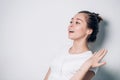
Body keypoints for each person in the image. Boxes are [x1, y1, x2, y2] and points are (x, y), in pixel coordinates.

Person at [44, 11, 108, 80]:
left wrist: (87, 64)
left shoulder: (91, 60)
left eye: (77, 22)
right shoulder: (63, 49)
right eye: (71, 22)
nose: (71, 25)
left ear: (89, 31)